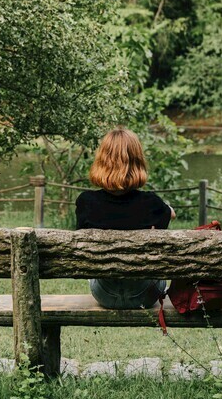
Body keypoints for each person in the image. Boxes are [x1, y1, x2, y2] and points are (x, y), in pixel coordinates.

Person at [75, 127, 175, 310]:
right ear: (137, 162)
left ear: (102, 161)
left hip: (104, 293)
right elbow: (167, 219)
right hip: (145, 293)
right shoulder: (151, 204)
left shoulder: (86, 202)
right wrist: (166, 210)